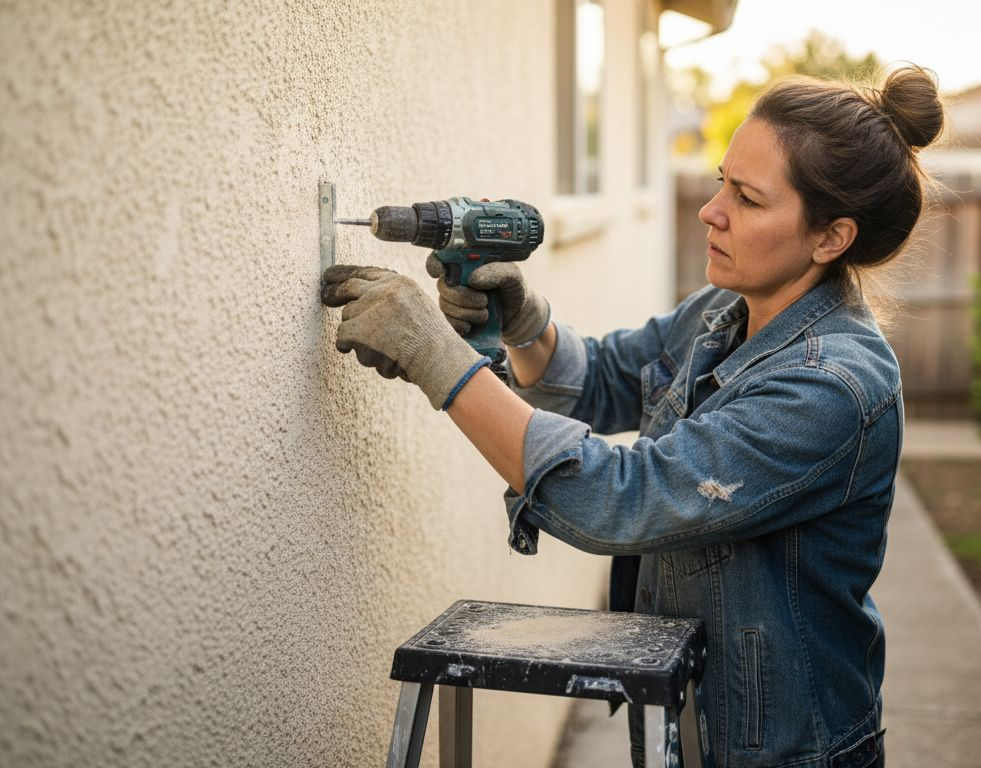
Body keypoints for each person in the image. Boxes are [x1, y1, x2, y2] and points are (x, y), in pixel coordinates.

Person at [322, 66, 944, 767]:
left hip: (787, 749)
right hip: (691, 718)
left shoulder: (831, 387)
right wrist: (525, 325)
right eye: (722, 181)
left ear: (830, 238)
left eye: (747, 198)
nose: (711, 210)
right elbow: (607, 376)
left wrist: (438, 359)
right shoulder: (726, 308)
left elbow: (627, 497)